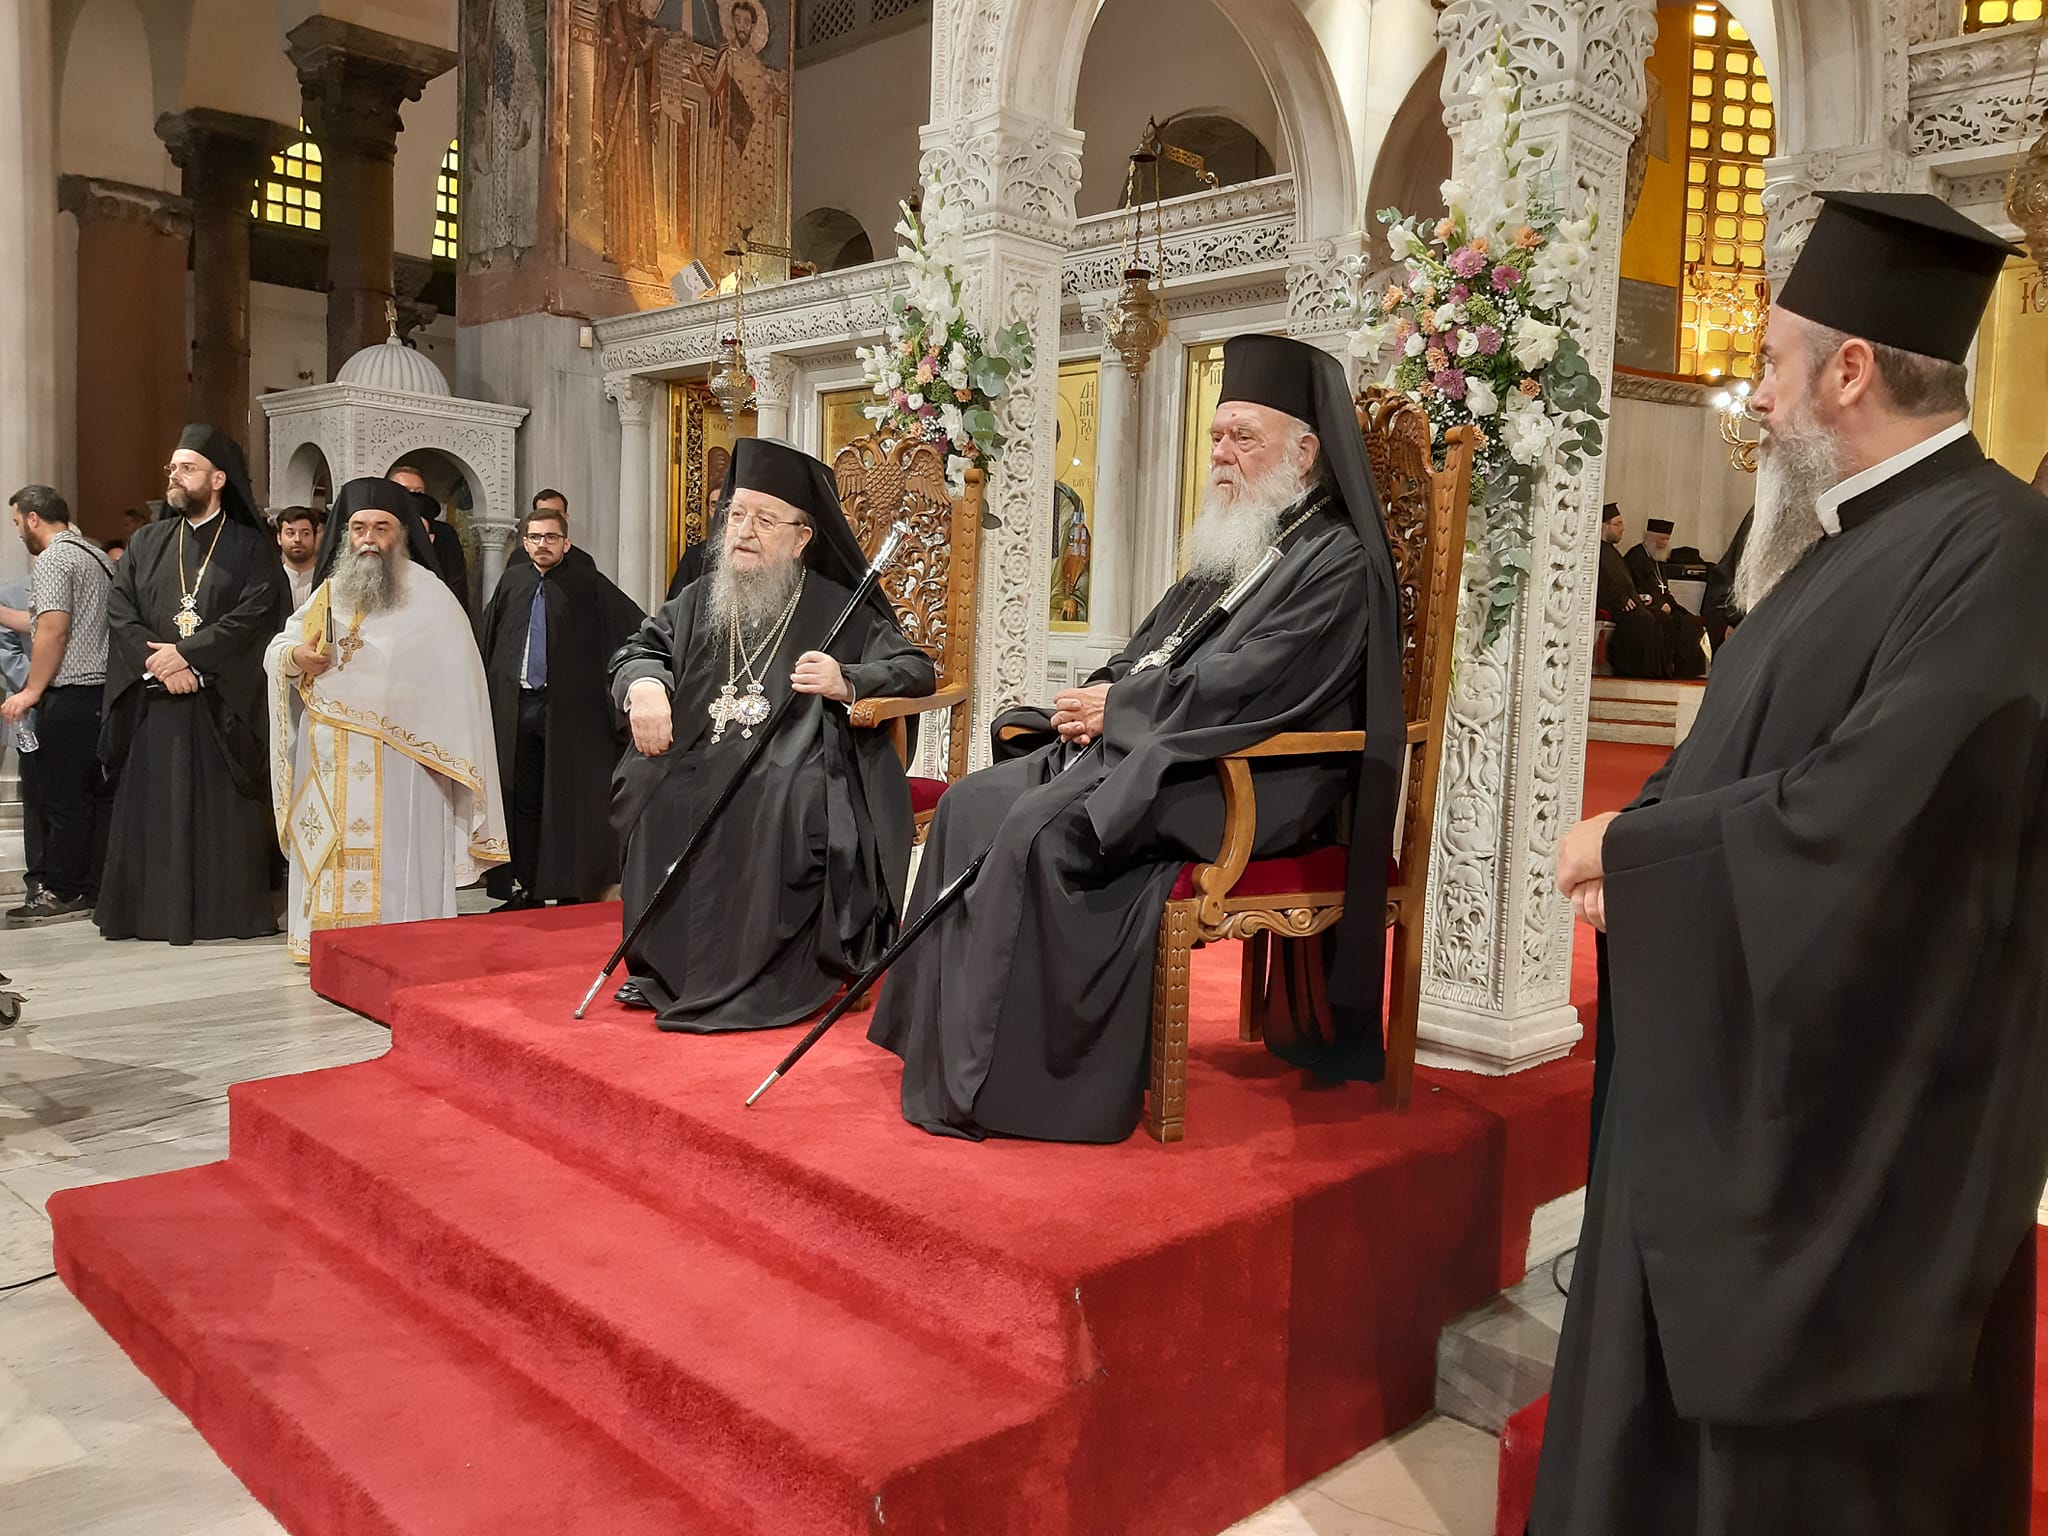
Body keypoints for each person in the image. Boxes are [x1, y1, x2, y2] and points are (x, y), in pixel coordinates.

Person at [1538, 192, 2048, 1536]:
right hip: (1735, 1062)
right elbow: (1732, 749)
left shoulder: (2000, 550)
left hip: (1855, 1129)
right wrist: (1642, 851)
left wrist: (1630, 847)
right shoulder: (1843, 543)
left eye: (1769, 362)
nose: (1753, 396)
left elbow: (1875, 820)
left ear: (1851, 369)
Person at [867, 333, 1402, 1143]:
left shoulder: (1336, 562)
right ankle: (938, 1039)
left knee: (1043, 830)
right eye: (1216, 435)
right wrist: (1101, 694)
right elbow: (1156, 640)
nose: (1219, 454)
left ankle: (1022, 1083)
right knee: (971, 804)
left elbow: (1258, 683)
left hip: (1249, 775)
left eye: (1242, 437)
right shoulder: (1244, 536)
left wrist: (1122, 711)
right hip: (1165, 742)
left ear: (1304, 453)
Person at [608, 438, 935, 1030]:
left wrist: (847, 678)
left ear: (802, 537)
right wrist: (646, 686)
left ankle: (771, 971)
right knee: (656, 788)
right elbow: (639, 648)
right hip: (701, 747)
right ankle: (670, 969)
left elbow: (915, 668)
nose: (743, 532)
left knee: (783, 797)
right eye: (737, 515)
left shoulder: (840, 608)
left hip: (797, 752)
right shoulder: (701, 599)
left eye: (764, 520)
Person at [265, 479, 507, 964]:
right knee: (328, 851)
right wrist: (297, 657)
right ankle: (327, 948)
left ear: (401, 534)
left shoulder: (432, 598)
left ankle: (398, 946)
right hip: (328, 763)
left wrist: (393, 705)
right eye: (359, 528)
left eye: (381, 527)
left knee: (397, 862)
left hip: (403, 765)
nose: (368, 538)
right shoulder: (331, 589)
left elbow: (455, 687)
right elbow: (280, 647)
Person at [96, 426, 289, 944]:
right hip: (154, 707)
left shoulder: (251, 547)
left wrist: (190, 657)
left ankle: (224, 915)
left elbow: (256, 616)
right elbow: (121, 609)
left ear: (218, 479)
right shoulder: (147, 541)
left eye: (186, 468)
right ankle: (148, 915)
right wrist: (161, 664)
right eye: (173, 468)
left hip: (220, 708)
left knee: (221, 817)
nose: (174, 476)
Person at [479, 489, 643, 910]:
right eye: (535, 537)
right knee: (524, 798)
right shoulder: (513, 581)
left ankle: (571, 888)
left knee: (567, 800)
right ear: (524, 542)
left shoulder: (587, 583)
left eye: (551, 537)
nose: (542, 544)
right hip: (518, 707)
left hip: (569, 713)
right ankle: (529, 887)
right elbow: (490, 638)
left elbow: (636, 628)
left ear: (566, 543)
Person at [3, 487, 114, 925]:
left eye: (17, 523)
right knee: (92, 799)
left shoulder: (53, 559)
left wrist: (30, 691)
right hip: (99, 696)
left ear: (33, 518)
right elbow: (40, 621)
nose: (18, 533)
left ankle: (63, 893)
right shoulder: (95, 556)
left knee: (64, 802)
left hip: (69, 696)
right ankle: (92, 886)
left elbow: (53, 629)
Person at [1621, 517, 1708, 678]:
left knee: (1691, 622)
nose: (1664, 543)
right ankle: (1665, 670)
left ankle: (1688, 671)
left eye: (1667, 539)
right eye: (1661, 539)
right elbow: (1633, 587)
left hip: (1663, 604)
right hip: (1646, 605)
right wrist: (1659, 604)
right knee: (1665, 622)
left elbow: (1663, 589)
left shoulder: (1658, 559)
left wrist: (1670, 604)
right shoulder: (1635, 557)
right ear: (1648, 537)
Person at [1594, 503, 1668, 678]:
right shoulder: (1596, 551)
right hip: (1614, 605)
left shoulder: (1613, 553)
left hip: (1627, 603)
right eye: (1618, 524)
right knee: (1644, 620)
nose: (1623, 529)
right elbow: (1600, 583)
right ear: (1604, 526)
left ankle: (1658, 672)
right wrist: (1620, 599)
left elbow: (1624, 583)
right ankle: (1636, 671)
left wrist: (1636, 597)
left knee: (1659, 618)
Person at [389, 463, 471, 617]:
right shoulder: (382, 530)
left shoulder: (444, 534)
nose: (412, 497)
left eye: (418, 492)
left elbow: (456, 584)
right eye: (404, 491)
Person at [276, 505, 322, 611]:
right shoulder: (269, 581)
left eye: (305, 533)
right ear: (279, 538)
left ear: (315, 537)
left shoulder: (326, 581)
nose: (298, 539)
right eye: (290, 533)